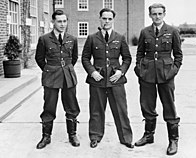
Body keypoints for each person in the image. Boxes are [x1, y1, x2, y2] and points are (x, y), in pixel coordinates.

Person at [134, 3, 183, 155]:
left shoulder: (172, 31)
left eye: (159, 14)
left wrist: (173, 71)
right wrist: (139, 69)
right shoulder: (145, 32)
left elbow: (178, 55)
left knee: (169, 106)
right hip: (147, 73)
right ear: (150, 15)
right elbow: (140, 52)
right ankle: (149, 135)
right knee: (147, 105)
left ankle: (173, 140)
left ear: (164, 14)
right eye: (154, 14)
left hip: (166, 74)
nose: (157, 16)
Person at [81, 8, 134, 148]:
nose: (107, 21)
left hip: (115, 80)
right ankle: (95, 136)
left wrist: (121, 72)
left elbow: (127, 58)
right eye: (104, 18)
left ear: (113, 20)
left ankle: (126, 138)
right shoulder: (92, 38)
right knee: (96, 109)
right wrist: (92, 72)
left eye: (110, 19)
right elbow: (85, 58)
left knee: (121, 110)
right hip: (97, 79)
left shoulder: (120, 37)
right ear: (100, 19)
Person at [35, 10, 80, 149]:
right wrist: (49, 69)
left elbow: (74, 58)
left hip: (68, 76)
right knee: (49, 106)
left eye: (64, 21)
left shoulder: (72, 39)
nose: (62, 24)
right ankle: (46, 136)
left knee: (71, 106)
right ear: (53, 22)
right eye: (59, 21)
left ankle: (72, 134)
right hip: (51, 76)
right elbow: (39, 58)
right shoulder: (44, 39)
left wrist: (65, 68)